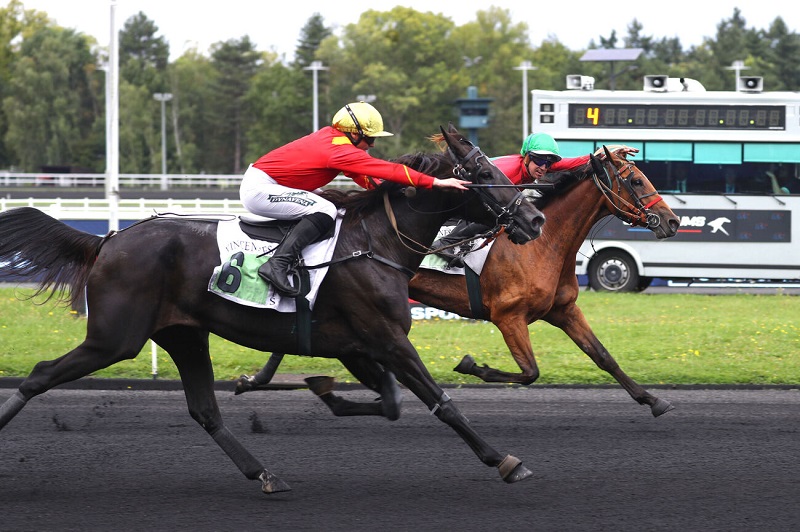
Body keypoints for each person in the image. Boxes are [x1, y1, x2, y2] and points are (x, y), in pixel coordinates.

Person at [240, 101, 470, 296]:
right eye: (369, 139)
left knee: (335, 209)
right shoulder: (337, 150)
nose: (372, 144)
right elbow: (382, 169)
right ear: (353, 133)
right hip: (261, 189)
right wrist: (435, 182)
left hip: (279, 184)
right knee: (325, 210)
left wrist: (389, 192)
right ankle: (277, 264)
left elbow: (362, 174)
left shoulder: (336, 141)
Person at [431, 132, 638, 266]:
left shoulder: (541, 166)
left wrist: (614, 150)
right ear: (526, 157)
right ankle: (446, 244)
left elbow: (584, 159)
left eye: (550, 161)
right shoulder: (508, 169)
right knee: (496, 216)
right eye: (539, 159)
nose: (544, 167)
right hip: (457, 191)